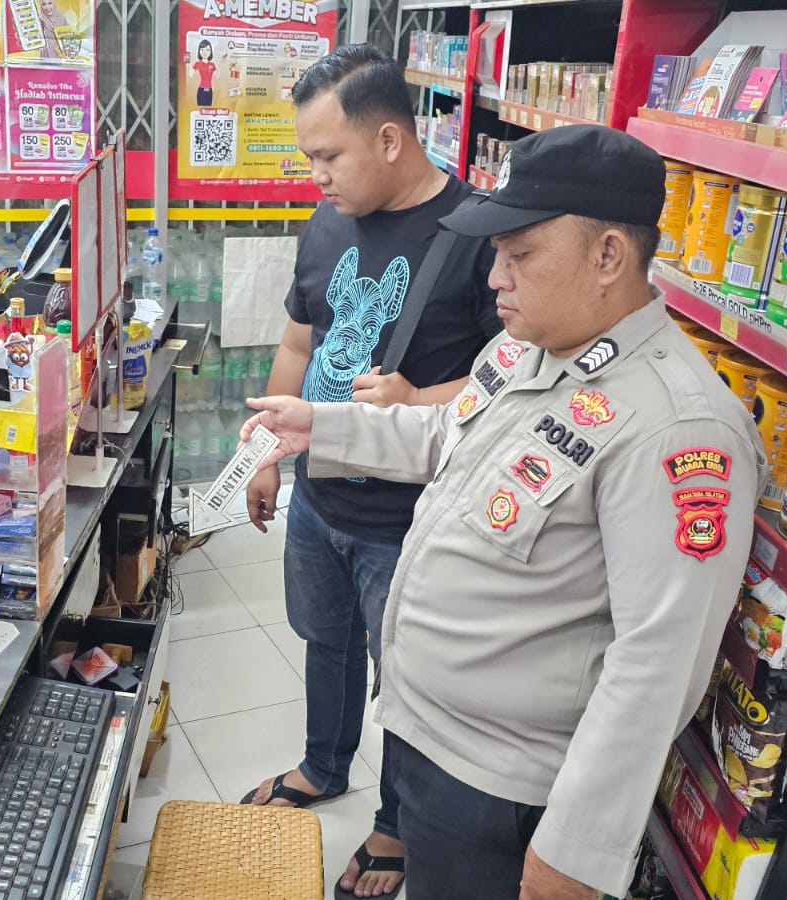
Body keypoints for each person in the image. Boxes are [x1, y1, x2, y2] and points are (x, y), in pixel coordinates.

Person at [242, 125, 764, 899]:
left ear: (609, 256)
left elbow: (656, 663)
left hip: (504, 792)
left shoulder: (678, 429)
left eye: (519, 255)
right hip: (427, 739)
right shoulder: (528, 347)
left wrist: (575, 852)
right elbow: (442, 436)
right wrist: (318, 426)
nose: (495, 278)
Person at [239, 44, 502, 900]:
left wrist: (422, 394)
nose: (316, 176)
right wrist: (265, 453)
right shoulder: (326, 222)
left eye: (328, 156)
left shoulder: (478, 234)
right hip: (317, 493)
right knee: (326, 639)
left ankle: (394, 826)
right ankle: (323, 766)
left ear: (390, 139)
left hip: (412, 518)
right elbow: (297, 341)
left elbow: (519, 375)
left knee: (409, 685)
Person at [193, 40, 217, 107]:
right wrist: (188, 62)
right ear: (199, 51)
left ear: (210, 51)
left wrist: (221, 61)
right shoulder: (198, 64)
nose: (205, 52)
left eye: (207, 50)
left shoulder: (212, 64)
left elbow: (217, 76)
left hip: (209, 90)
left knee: (208, 110)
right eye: (202, 50)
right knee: (200, 110)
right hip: (201, 90)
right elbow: (191, 74)